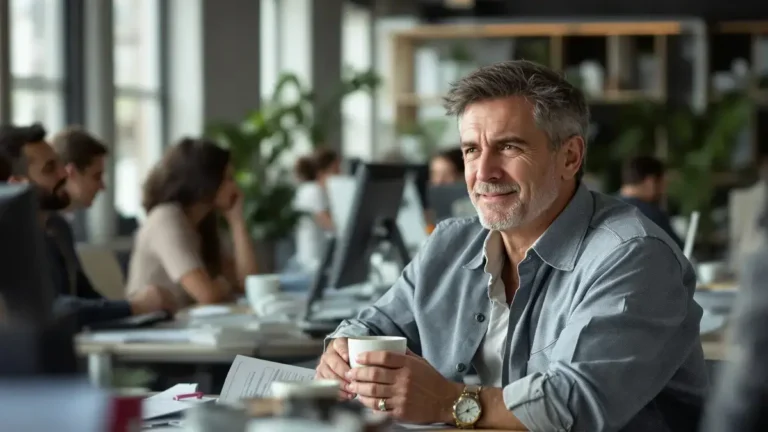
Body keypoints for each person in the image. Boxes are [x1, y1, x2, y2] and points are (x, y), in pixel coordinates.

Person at [315, 60, 707, 431]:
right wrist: (343, 348)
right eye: (472, 150)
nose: (483, 173)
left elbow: (579, 403)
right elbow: (373, 326)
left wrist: (448, 402)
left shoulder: (633, 256)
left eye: (509, 147)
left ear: (569, 157)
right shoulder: (450, 243)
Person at [0, 123, 173, 328]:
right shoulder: (8, 241)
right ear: (17, 184)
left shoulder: (58, 228)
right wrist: (133, 306)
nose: (64, 174)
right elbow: (49, 308)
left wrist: (139, 309)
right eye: (49, 169)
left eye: (59, 163)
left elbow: (87, 296)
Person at [125, 137, 259, 308]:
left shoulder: (202, 223)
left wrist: (237, 222)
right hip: (151, 329)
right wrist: (224, 284)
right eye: (228, 179)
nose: (235, 187)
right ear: (205, 182)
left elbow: (247, 285)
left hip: (183, 326)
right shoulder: (166, 218)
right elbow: (207, 295)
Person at [617, 156, 683, 248]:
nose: (664, 191)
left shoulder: (604, 208)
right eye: (663, 184)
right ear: (650, 182)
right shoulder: (651, 215)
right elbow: (677, 251)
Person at [291, 155, 333, 271]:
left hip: (306, 255)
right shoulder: (314, 190)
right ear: (321, 172)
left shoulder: (303, 190)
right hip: (315, 259)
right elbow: (328, 224)